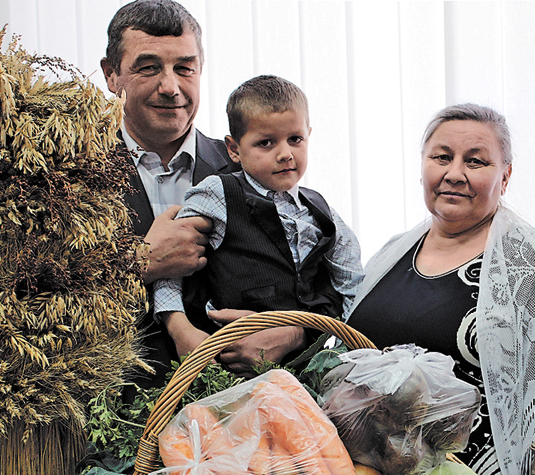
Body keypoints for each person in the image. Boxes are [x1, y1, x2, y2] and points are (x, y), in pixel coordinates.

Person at [347, 104, 535, 475]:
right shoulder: (391, 254)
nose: (454, 173)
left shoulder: (533, 269)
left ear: (506, 175)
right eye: (441, 157)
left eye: (475, 161)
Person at [153, 75, 363, 376]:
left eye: (296, 139)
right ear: (234, 149)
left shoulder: (322, 209)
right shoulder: (217, 193)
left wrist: (344, 351)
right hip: (228, 374)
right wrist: (180, 328)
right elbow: (168, 263)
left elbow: (353, 287)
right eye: (266, 143)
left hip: (304, 373)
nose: (285, 153)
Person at [100, 0, 240, 388]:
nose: (171, 87)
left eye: (185, 68)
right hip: (105, 421)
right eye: (148, 68)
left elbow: (308, 274)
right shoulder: (67, 177)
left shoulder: (249, 170)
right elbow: (25, 296)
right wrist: (137, 263)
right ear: (112, 76)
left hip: (233, 413)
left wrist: (291, 333)